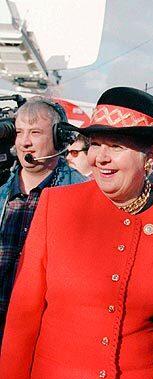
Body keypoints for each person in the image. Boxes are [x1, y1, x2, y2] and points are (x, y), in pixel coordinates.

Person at [0, 87, 153, 379]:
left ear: (150, 155)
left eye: (115, 146)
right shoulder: (56, 206)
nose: (100, 157)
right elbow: (22, 315)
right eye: (96, 144)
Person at [0, 97, 86, 344]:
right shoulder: (3, 191)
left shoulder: (81, 192)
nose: (25, 142)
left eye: (35, 132)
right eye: (19, 132)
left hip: (47, 336)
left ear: (60, 138)